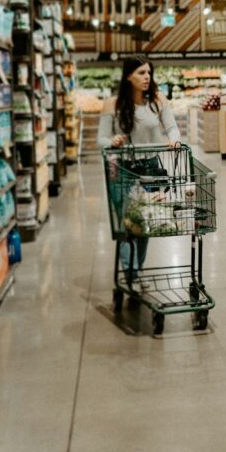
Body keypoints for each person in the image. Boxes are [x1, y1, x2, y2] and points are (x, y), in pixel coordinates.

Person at [98, 56, 182, 287]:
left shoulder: (157, 100)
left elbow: (173, 128)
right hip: (121, 168)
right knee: (127, 224)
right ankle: (132, 274)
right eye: (141, 73)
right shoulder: (112, 104)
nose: (147, 77)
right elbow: (101, 139)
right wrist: (111, 140)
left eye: (148, 73)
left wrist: (174, 140)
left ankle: (137, 270)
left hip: (150, 168)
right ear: (128, 77)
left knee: (145, 221)